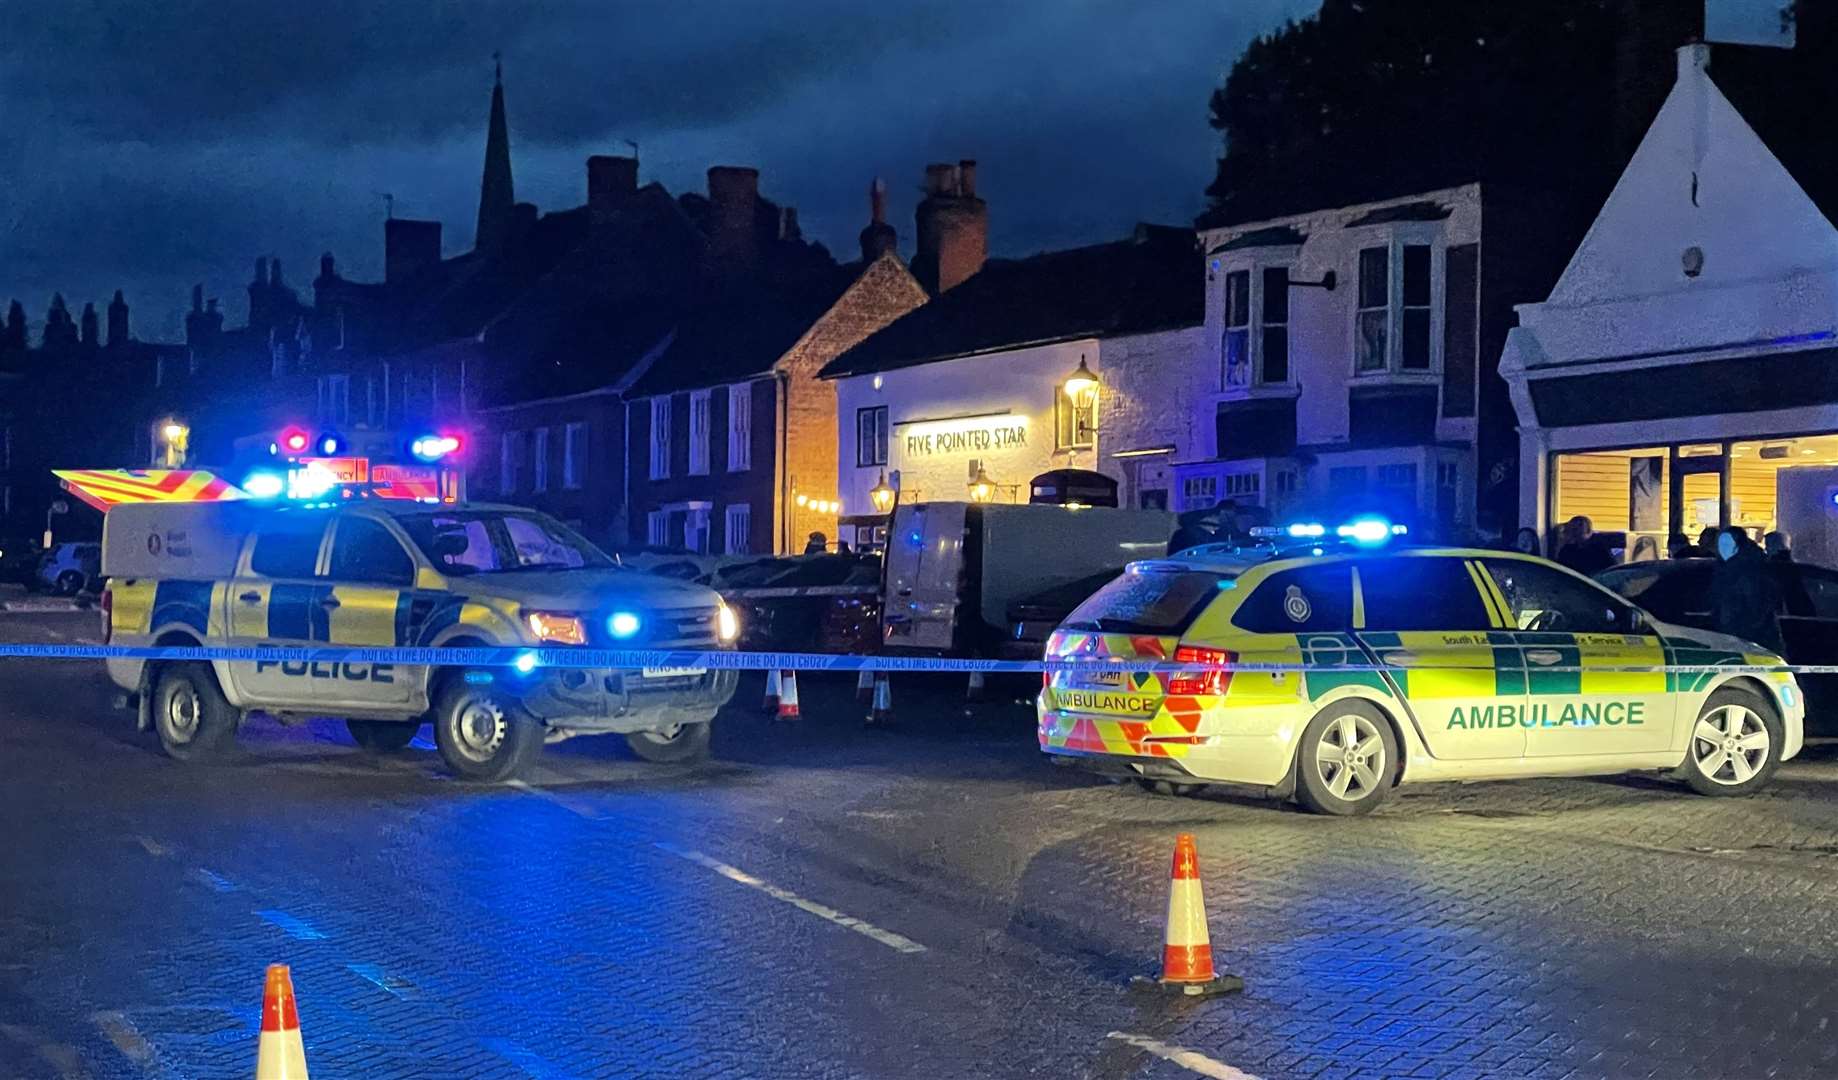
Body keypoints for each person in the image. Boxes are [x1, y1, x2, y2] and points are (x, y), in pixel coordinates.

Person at [1709, 527, 1784, 651]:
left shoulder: (1747, 570)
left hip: (1749, 638)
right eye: (1720, 543)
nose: (1722, 548)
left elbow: (1754, 606)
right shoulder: (1726, 568)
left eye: (1727, 543)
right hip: (1741, 636)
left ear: (1737, 545)